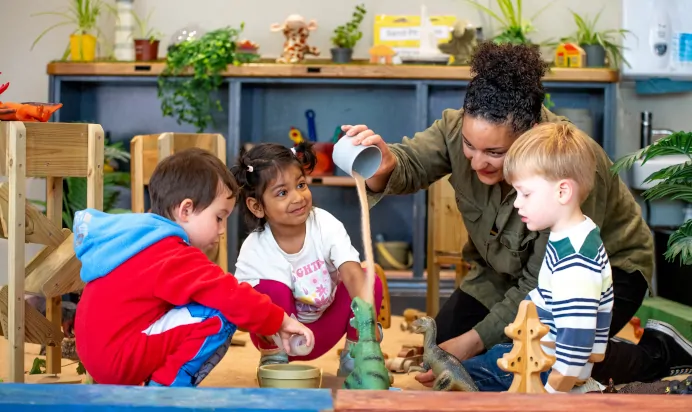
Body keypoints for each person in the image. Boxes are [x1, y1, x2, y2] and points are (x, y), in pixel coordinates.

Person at [341, 41, 692, 386]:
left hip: (595, 274)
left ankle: (660, 353)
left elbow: (542, 282)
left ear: (530, 133)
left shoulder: (571, 166)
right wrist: (386, 165)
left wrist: (474, 341)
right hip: (504, 272)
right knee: (449, 349)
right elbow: (411, 162)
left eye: (495, 152)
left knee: (548, 360)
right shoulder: (456, 128)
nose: (477, 162)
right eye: (468, 145)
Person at [73, 148, 313, 387]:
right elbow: (228, 293)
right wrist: (280, 321)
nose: (221, 230)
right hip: (119, 360)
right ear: (186, 210)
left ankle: (152, 383)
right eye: (219, 218)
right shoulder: (170, 252)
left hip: (101, 357)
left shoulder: (140, 239)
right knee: (220, 314)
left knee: (205, 303)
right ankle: (166, 394)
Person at [460, 121, 613, 392]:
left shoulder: (575, 262)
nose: (517, 202)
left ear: (563, 191)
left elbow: (576, 341)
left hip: (544, 370)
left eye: (525, 193)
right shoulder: (573, 233)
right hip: (539, 353)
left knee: (459, 378)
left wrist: (553, 392)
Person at [230, 141, 384, 377]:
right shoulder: (255, 248)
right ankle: (274, 360)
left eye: (301, 185)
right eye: (282, 192)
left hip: (323, 329)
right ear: (257, 206)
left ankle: (356, 355)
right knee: (268, 289)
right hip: (279, 336)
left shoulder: (325, 224)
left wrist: (368, 330)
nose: (298, 197)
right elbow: (242, 307)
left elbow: (352, 273)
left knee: (367, 278)